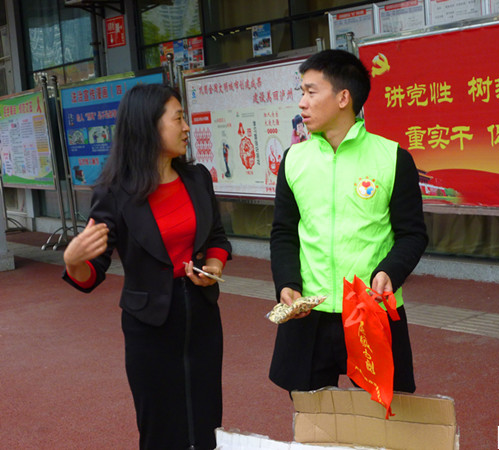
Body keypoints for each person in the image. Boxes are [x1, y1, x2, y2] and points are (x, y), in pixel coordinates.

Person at [62, 83, 231, 450]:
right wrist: (73, 260)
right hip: (149, 326)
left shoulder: (197, 177)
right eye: (178, 119)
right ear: (148, 126)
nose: (186, 127)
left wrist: (214, 266)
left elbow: (217, 236)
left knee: (207, 418)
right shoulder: (114, 192)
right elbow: (92, 272)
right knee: (160, 425)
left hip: (202, 317)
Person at [269, 49, 428, 394]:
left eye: (311, 92)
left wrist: (390, 272)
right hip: (309, 313)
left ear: (343, 98)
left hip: (371, 309)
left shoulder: (393, 158)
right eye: (301, 92)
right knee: (312, 418)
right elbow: (284, 232)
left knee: (379, 417)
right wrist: (286, 283)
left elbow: (412, 235)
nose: (302, 102)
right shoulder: (294, 159)